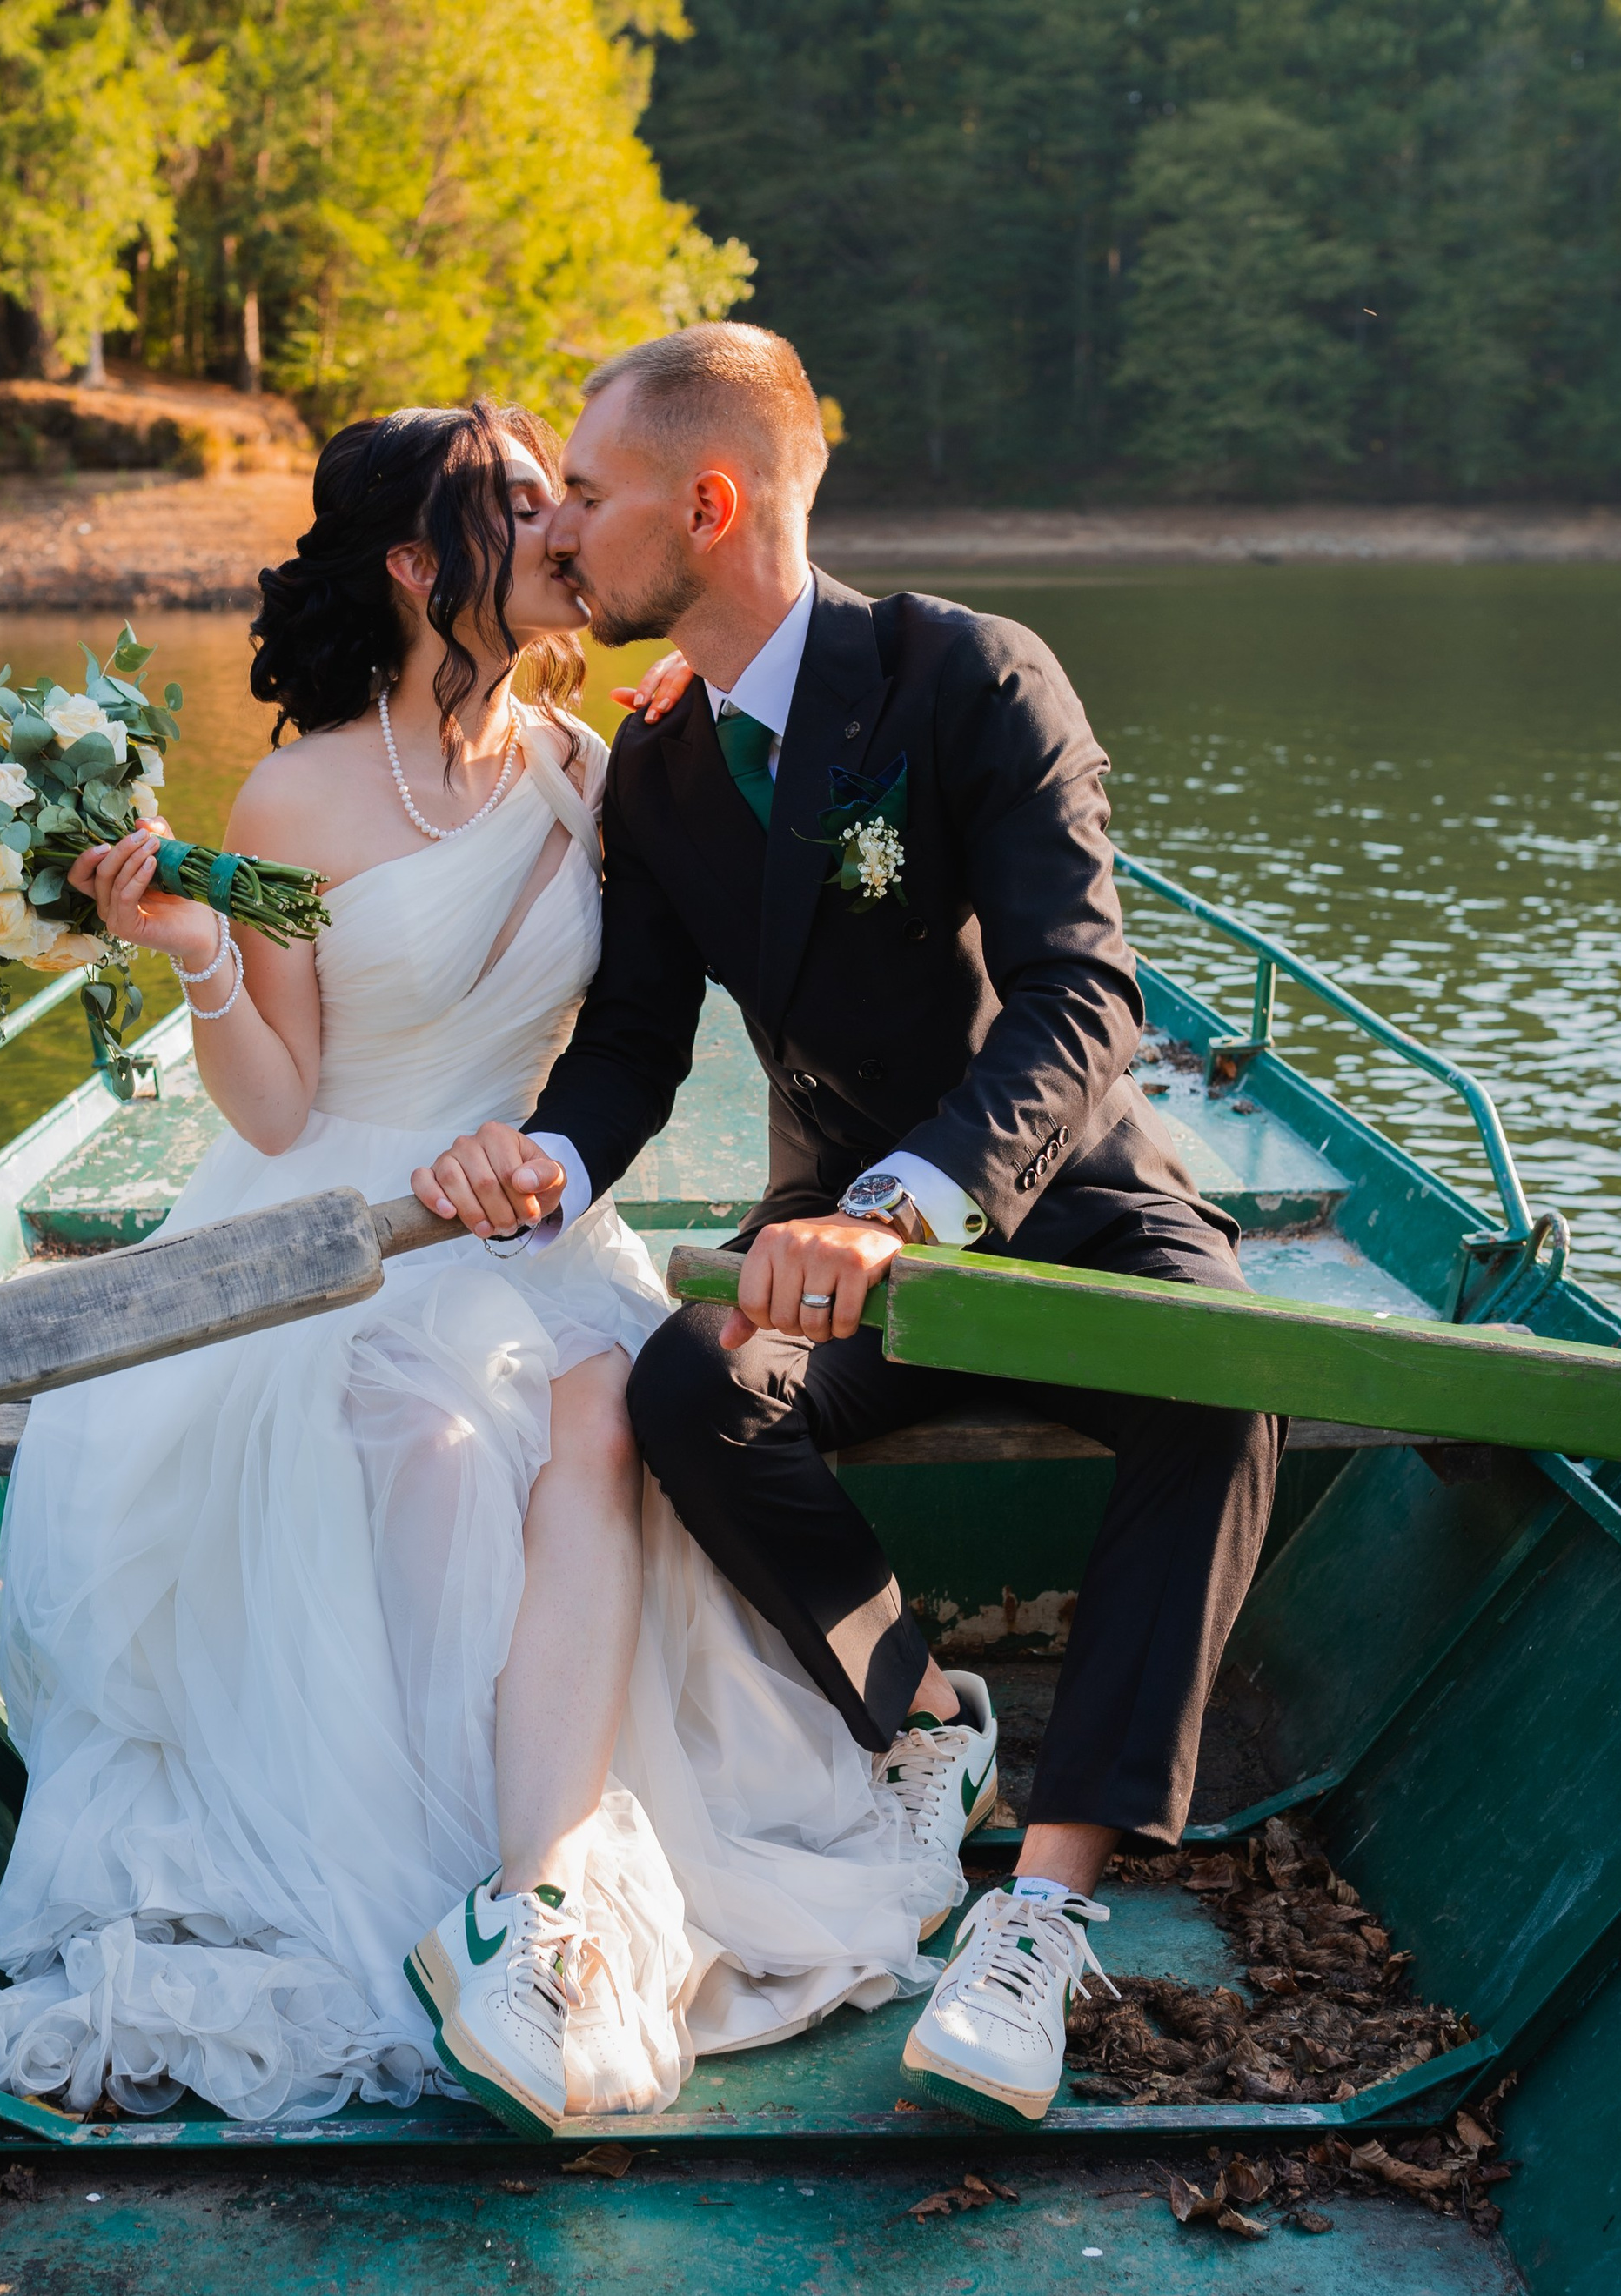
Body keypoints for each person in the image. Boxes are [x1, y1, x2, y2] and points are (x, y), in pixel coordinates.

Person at [0, 402, 957, 2136]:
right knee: (435, 1445)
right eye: (520, 505)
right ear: (420, 567)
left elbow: (643, 1023)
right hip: (340, 1228)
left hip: (530, 1216)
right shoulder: (295, 793)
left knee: (599, 1415)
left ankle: (541, 1903)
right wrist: (202, 947)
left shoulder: (600, 769)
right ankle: (452, 1880)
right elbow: (274, 1111)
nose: (563, 526)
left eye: (569, 496)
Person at [416, 325, 1283, 2130]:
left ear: (709, 504)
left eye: (586, 493)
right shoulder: (656, 769)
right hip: (825, 1237)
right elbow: (635, 1047)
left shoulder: (970, 676)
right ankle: (916, 1724)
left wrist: (909, 1204)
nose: (560, 529)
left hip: (1062, 1197)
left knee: (1221, 1389)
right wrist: (543, 1165)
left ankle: (1035, 1922)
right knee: (679, 1389)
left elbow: (1081, 996)